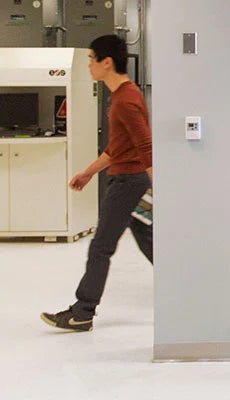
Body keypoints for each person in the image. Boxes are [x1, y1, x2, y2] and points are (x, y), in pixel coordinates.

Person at [41, 34, 153, 332]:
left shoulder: (126, 99)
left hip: (128, 183)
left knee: (101, 247)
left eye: (92, 59)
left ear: (107, 62)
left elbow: (145, 146)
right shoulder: (122, 96)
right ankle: (189, 294)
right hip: (129, 180)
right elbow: (118, 148)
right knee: (152, 246)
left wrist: (160, 188)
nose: (89, 64)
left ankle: (83, 311)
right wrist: (89, 172)